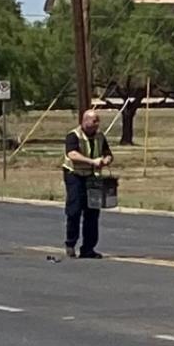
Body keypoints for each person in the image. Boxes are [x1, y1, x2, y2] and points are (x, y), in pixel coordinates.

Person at [62, 108, 113, 259]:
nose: (96, 125)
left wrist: (106, 160)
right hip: (75, 175)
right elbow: (72, 154)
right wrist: (92, 161)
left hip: (93, 176)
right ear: (84, 121)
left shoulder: (100, 136)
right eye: (93, 121)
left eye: (97, 122)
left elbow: (108, 153)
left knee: (92, 212)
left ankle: (88, 248)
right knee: (75, 210)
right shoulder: (73, 135)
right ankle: (70, 243)